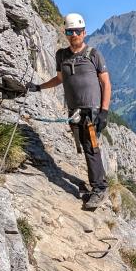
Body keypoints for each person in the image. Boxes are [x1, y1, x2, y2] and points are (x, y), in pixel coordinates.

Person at [27, 12, 112, 210]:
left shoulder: (93, 54)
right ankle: (96, 184)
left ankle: (100, 188)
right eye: (70, 32)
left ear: (84, 32)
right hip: (74, 111)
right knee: (85, 145)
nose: (74, 35)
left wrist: (104, 112)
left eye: (77, 31)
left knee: (91, 147)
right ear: (65, 33)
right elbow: (59, 79)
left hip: (91, 112)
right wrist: (38, 87)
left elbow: (106, 84)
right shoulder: (61, 55)